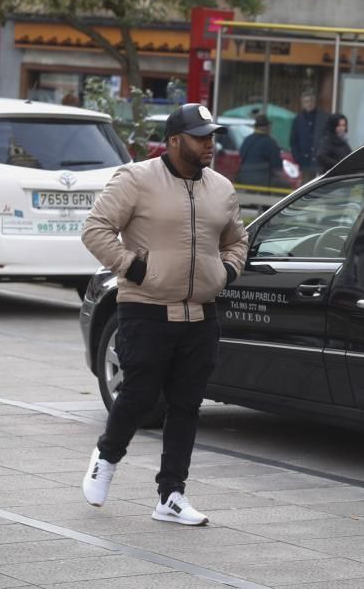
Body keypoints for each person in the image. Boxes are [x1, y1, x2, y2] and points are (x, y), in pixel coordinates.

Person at [80, 103, 248, 525]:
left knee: (187, 404)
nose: (209, 144)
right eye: (200, 137)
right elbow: (95, 229)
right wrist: (137, 269)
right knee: (138, 396)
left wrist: (224, 272)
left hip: (200, 314)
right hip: (146, 309)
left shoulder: (221, 188)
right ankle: (106, 457)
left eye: (212, 136)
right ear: (174, 141)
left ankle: (171, 495)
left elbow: (236, 241)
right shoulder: (136, 179)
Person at [290, 89, 329, 182]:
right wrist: (298, 158)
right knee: (306, 188)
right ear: (302, 104)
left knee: (321, 186)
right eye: (306, 102)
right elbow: (293, 141)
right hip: (305, 162)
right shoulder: (298, 119)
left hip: (321, 162)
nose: (309, 104)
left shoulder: (324, 117)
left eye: (311, 101)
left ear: (315, 102)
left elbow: (328, 136)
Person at [237, 113, 285, 188]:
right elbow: (277, 168)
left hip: (245, 180)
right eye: (269, 127)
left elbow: (241, 155)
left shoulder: (247, 140)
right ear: (266, 127)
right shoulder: (270, 142)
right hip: (263, 182)